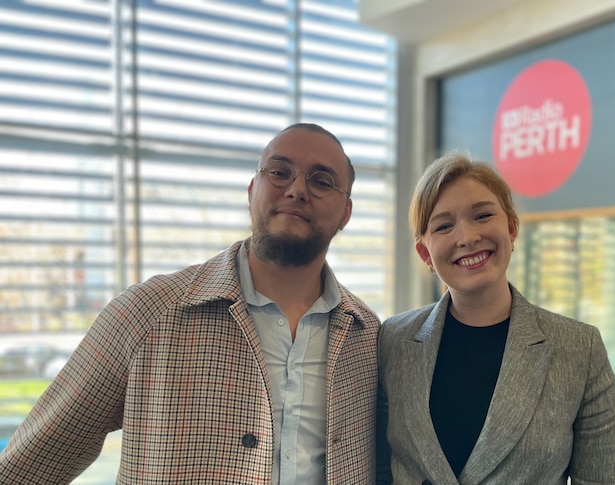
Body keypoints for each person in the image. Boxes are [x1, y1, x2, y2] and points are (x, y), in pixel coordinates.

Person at [0, 123, 381, 484]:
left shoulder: (369, 337)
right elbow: (32, 463)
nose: (297, 189)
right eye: (279, 173)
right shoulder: (147, 313)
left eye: (322, 181)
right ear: (252, 190)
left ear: (346, 213)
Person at [376, 152, 615, 484]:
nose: (467, 237)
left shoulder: (580, 349)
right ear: (425, 253)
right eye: (443, 226)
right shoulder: (392, 339)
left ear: (511, 228)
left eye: (482, 215)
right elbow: (377, 469)